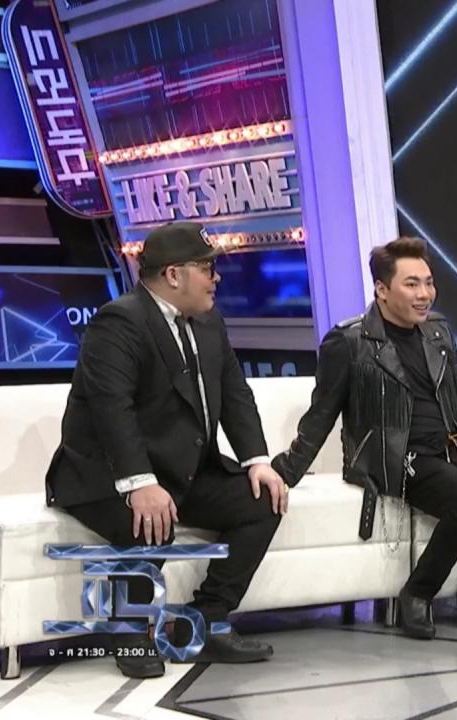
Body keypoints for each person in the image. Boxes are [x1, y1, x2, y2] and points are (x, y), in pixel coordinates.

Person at [272, 237, 457, 640]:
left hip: (454, 445)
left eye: (428, 282)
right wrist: (284, 472)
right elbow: (321, 414)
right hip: (396, 455)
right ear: (382, 289)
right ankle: (419, 592)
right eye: (412, 284)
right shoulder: (349, 341)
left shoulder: (438, 331)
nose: (425, 294)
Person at [46, 221, 286, 678]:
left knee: (262, 501)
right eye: (207, 268)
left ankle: (206, 621)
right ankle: (129, 629)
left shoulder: (209, 322)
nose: (216, 278)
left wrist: (257, 460)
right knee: (151, 517)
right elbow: (112, 408)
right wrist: (140, 482)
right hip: (104, 475)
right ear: (174, 275)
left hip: (182, 470)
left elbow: (235, 394)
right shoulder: (119, 321)